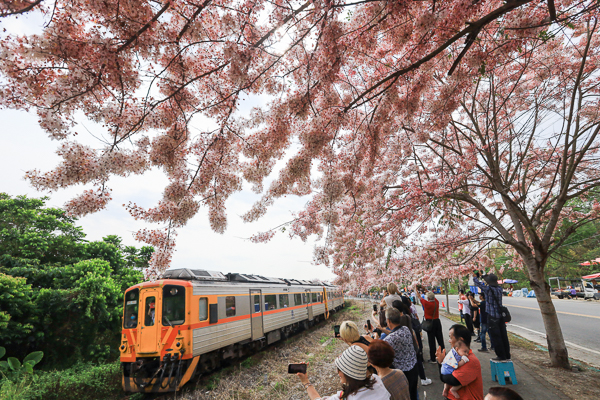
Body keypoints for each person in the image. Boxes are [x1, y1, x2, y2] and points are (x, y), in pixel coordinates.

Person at [296, 346, 391, 400]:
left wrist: (305, 381)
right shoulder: (376, 380)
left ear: (349, 373)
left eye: (340, 369)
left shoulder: (348, 398)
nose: (338, 373)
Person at [435, 324, 483, 400]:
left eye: (451, 337)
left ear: (461, 340)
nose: (449, 341)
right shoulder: (455, 355)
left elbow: (452, 380)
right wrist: (441, 362)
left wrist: (442, 364)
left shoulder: (470, 360)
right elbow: (445, 374)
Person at [382, 308, 418, 400]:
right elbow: (395, 333)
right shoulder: (405, 329)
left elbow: (381, 348)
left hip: (402, 374)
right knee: (413, 393)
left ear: (388, 321)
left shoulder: (389, 340)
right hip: (413, 367)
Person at [473, 272, 511, 361]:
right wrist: (483, 276)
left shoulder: (489, 289)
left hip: (492, 316)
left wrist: (476, 277)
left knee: (496, 337)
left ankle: (500, 356)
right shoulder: (499, 289)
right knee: (503, 336)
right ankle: (507, 355)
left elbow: (477, 283)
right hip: (500, 316)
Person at [421, 290, 445, 363]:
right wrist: (426, 289)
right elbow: (433, 298)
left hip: (430, 323)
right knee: (440, 339)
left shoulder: (426, 303)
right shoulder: (436, 303)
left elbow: (419, 297)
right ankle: (443, 355)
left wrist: (416, 289)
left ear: (428, 298)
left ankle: (433, 358)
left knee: (431, 341)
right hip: (437, 321)